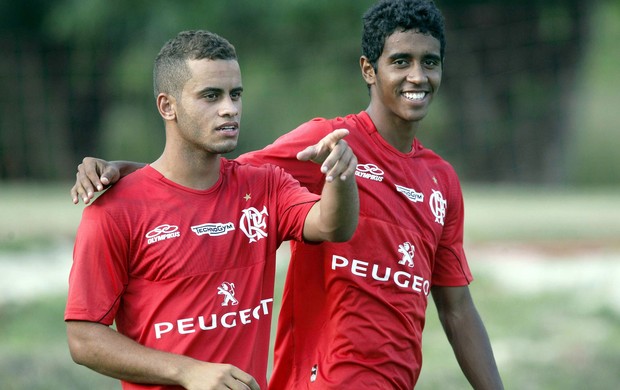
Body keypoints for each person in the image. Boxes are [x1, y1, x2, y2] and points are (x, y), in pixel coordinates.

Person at [71, 1, 505, 389]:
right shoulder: (326, 138)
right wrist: (134, 176)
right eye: (401, 61)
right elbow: (217, 173)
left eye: (430, 62)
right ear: (369, 69)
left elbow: (457, 308)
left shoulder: (441, 180)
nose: (417, 75)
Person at [64, 30, 359, 390]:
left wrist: (341, 176)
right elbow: (83, 338)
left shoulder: (265, 187)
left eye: (235, 95)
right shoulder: (115, 208)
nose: (229, 108)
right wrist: (187, 371)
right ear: (167, 106)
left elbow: (333, 226)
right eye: (210, 96)